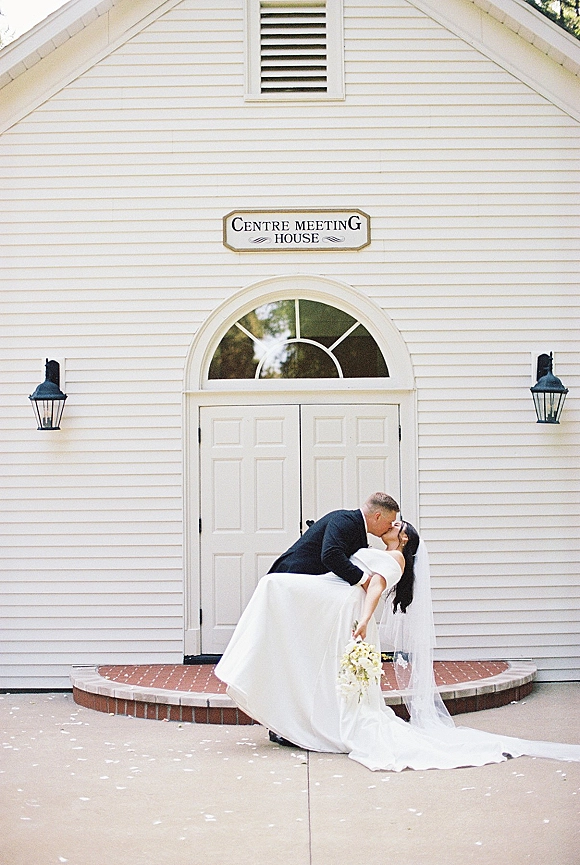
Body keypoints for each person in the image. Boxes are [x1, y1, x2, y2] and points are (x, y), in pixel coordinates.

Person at [215, 521, 580, 771]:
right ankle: (299, 715)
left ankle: (313, 721)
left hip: (349, 616)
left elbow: (373, 585)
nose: (392, 526)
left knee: (274, 590)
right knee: (284, 608)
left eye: (397, 527)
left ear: (402, 540)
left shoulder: (396, 558)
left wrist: (362, 619)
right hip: (339, 608)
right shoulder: (378, 550)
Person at [268, 492, 400, 586]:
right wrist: (364, 580)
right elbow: (330, 555)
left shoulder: (353, 524)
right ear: (377, 516)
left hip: (298, 581)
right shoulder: (345, 520)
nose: (390, 527)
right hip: (288, 578)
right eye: (390, 522)